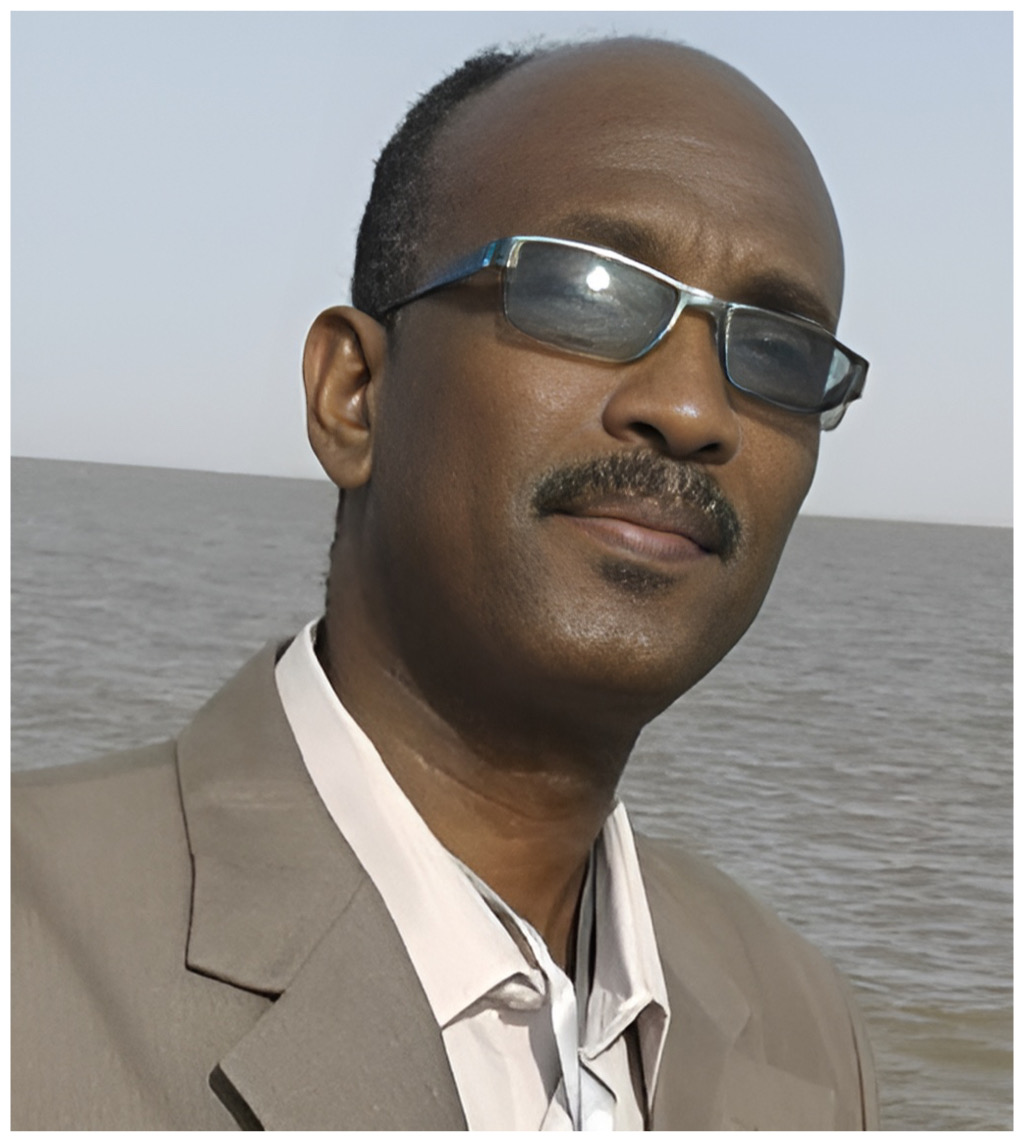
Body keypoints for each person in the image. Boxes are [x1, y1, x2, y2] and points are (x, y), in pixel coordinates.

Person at [12, 36, 877, 1130]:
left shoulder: (804, 1024)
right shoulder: (29, 956)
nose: (694, 410)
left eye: (781, 350)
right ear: (354, 395)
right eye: (584, 290)